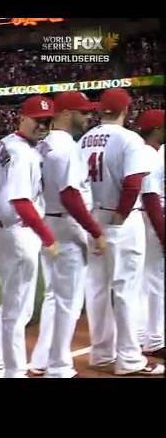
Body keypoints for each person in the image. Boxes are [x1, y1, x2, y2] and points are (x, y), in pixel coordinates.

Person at [79, 88, 162, 375]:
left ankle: (101, 354)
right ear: (126, 111)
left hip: (92, 219)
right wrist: (121, 215)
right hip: (121, 220)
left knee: (97, 288)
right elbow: (133, 183)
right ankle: (128, 358)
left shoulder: (85, 139)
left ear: (102, 110)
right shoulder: (130, 139)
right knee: (126, 289)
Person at [31, 91, 105, 378]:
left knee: (54, 296)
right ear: (64, 113)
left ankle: (41, 359)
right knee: (68, 301)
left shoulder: (43, 144)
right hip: (66, 223)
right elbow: (71, 195)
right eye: (83, 111)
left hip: (46, 223)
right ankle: (59, 367)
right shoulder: (67, 147)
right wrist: (95, 231)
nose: (88, 116)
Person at [0, 95, 57, 378]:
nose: (43, 125)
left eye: (47, 120)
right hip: (17, 233)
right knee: (19, 308)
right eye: (38, 120)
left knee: (12, 302)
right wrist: (48, 237)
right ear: (22, 118)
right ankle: (12, 371)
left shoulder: (7, 143)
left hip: (2, 231)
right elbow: (22, 201)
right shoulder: (23, 152)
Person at [135, 109, 164, 358]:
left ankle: (142, 335)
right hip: (151, 218)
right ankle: (154, 339)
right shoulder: (150, 155)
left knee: (144, 280)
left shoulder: (141, 151)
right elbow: (151, 196)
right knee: (155, 281)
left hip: (141, 218)